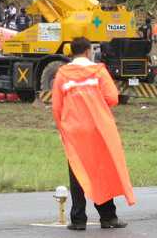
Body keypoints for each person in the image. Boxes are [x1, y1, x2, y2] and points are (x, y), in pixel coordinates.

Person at [51, 37, 134, 230]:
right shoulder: (98, 72)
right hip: (98, 130)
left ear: (72, 52)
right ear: (88, 52)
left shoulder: (63, 74)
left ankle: (78, 220)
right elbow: (112, 98)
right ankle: (108, 217)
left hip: (75, 130)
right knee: (100, 171)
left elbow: (56, 107)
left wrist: (63, 128)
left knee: (77, 173)